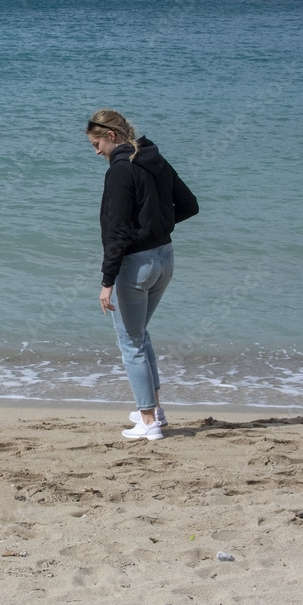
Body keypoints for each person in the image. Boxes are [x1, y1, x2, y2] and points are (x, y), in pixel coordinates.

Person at [85, 109, 199, 440]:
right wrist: (154, 227)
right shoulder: (154, 158)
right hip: (165, 259)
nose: (96, 152)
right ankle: (155, 409)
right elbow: (189, 205)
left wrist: (107, 282)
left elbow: (117, 231)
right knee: (139, 334)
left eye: (96, 145)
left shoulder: (120, 170)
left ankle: (148, 422)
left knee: (131, 342)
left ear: (111, 136)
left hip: (136, 267)